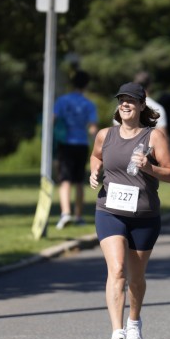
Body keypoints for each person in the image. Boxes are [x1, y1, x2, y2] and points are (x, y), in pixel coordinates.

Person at [89, 82, 170, 339]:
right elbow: (96, 157)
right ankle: (117, 332)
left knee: (136, 277)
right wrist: (94, 172)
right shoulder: (105, 135)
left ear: (141, 105)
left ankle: (134, 321)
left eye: (131, 100)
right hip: (109, 210)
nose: (125, 104)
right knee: (117, 269)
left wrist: (149, 168)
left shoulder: (154, 137)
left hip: (144, 214)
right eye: (122, 100)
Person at [53, 70, 98, 229]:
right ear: (86, 85)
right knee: (79, 181)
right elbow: (92, 128)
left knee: (65, 179)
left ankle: (65, 213)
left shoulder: (62, 101)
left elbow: (53, 119)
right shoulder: (88, 104)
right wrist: (98, 147)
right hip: (81, 144)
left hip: (65, 143)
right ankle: (78, 216)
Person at [135, 70, 170, 164]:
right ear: (150, 85)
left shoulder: (122, 108)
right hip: (149, 157)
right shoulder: (157, 108)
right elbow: (163, 138)